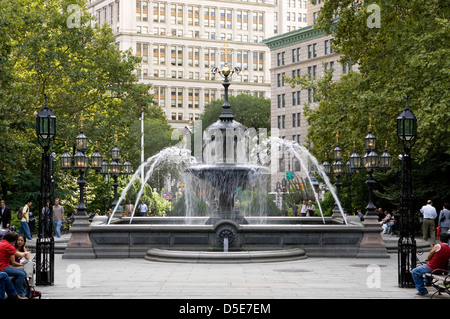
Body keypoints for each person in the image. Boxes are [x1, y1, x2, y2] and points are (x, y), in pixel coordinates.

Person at [0, 231, 30, 297]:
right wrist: (26, 252)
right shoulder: (8, 246)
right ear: (14, 240)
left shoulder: (2, 243)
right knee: (22, 274)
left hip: (4, 266)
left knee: (23, 273)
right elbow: (19, 254)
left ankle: (21, 291)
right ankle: (19, 294)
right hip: (3, 267)